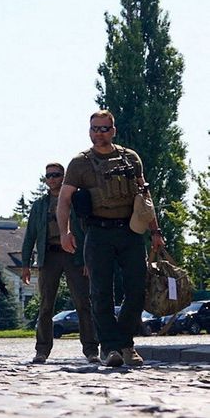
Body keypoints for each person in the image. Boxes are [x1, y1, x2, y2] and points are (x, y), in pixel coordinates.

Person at [57, 110, 164, 368]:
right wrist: (65, 232)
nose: (99, 133)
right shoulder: (79, 163)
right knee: (101, 292)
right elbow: (64, 200)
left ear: (113, 130)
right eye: (95, 128)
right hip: (98, 232)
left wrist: (156, 231)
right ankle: (110, 348)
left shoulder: (130, 158)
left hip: (130, 231)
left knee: (137, 289)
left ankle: (125, 343)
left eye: (104, 128)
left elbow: (145, 198)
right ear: (89, 130)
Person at [21, 162, 98, 364]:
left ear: (64, 177)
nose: (52, 179)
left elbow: (87, 230)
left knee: (83, 304)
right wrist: (25, 265)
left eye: (56, 175)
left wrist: (87, 259)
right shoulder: (39, 205)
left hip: (74, 255)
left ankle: (91, 349)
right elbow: (30, 236)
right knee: (46, 306)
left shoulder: (76, 199)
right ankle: (42, 350)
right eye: (48, 176)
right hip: (49, 257)